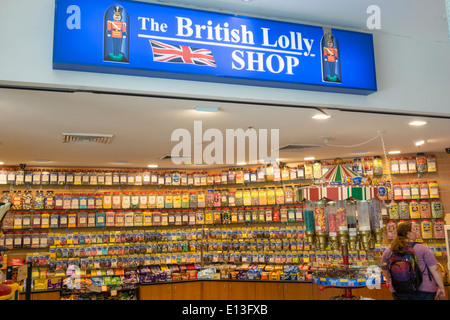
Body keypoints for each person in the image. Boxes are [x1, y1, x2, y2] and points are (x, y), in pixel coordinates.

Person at [381, 221, 446, 300]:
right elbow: (435, 269)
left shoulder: (390, 249)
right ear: (409, 234)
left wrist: (391, 281)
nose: (416, 232)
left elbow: (384, 267)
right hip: (424, 291)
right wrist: (441, 287)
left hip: (399, 290)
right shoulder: (422, 248)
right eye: (414, 229)